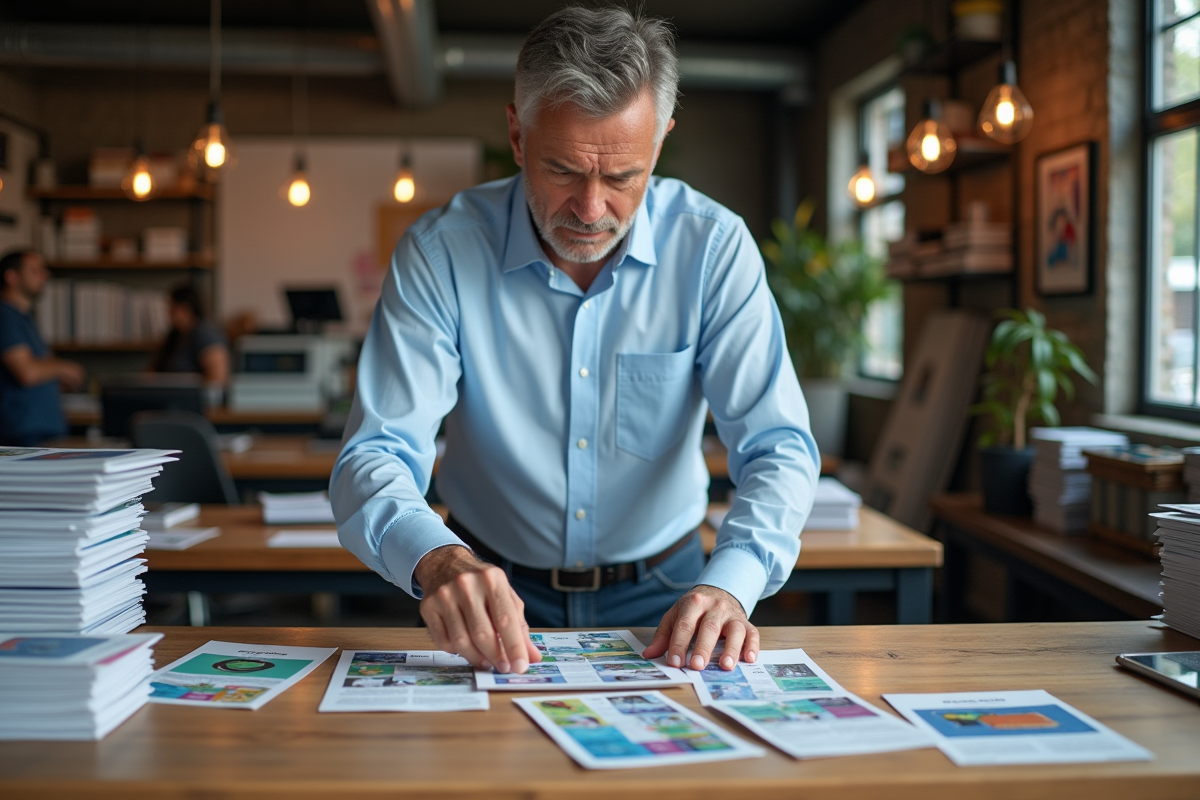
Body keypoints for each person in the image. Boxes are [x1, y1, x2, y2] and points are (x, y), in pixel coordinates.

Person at [332, 7, 818, 677]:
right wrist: (438, 561)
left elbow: (778, 446)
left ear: (659, 142)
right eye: (563, 170)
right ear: (517, 135)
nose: (591, 210)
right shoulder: (441, 252)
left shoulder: (712, 248)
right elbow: (377, 452)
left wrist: (730, 583)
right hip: (486, 587)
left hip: (672, 593)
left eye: (623, 177)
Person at [0, 249, 84, 446]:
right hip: (21, 433)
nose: (44, 276)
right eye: (35, 270)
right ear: (11, 277)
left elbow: (42, 364)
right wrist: (64, 368)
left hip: (41, 430)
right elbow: (27, 372)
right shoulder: (5, 317)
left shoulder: (24, 317)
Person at [150, 284, 229, 388]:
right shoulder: (174, 336)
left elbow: (218, 379)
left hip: (193, 400)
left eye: (171, 308)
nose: (168, 313)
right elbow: (152, 372)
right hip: (167, 397)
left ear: (185, 308)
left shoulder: (205, 335)